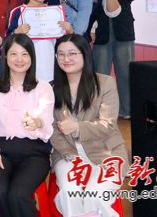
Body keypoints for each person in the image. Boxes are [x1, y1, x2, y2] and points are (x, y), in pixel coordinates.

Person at [51, 34, 128, 217]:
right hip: (68, 153)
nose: (66, 59)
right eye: (61, 54)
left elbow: (107, 125)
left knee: (95, 196)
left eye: (72, 53)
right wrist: (71, 155)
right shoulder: (52, 88)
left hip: (106, 152)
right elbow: (52, 130)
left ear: (85, 54)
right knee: (70, 193)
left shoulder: (105, 83)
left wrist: (77, 127)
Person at [0, 34, 55, 217]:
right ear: (5, 56)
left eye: (24, 54)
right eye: (14, 54)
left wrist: (37, 123)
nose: (19, 59)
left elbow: (46, 120)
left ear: (32, 57)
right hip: (0, 151)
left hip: (33, 153)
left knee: (18, 195)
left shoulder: (43, 87)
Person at [91, 0, 144, 119]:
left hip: (123, 36)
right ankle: (100, 112)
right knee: (100, 75)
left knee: (125, 74)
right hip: (101, 37)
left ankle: (126, 111)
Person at [7, 0, 74, 83]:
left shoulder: (55, 12)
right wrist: (16, 33)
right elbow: (7, 42)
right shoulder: (18, 12)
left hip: (51, 70)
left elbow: (64, 43)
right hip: (25, 71)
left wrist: (70, 31)